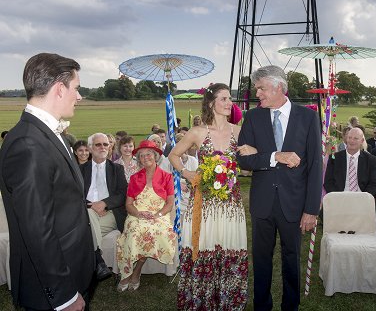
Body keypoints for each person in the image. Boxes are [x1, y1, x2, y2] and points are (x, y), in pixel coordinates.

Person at [0, 53, 94, 310]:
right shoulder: (28, 144)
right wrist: (64, 297)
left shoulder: (51, 135)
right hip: (51, 291)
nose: (80, 96)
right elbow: (37, 230)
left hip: (71, 268)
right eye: (76, 88)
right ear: (59, 89)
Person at [237, 66, 322, 310]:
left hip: (294, 203)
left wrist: (311, 209)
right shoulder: (253, 117)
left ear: (278, 87)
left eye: (261, 88)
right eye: (257, 89)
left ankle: (290, 306)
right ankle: (261, 306)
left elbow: (315, 166)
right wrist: (275, 156)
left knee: (291, 259)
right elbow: (242, 159)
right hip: (262, 203)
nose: (258, 94)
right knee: (261, 261)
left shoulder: (307, 117)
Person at [169, 83, 249, 310]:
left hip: (231, 203)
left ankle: (228, 301)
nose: (229, 103)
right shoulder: (197, 132)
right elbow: (174, 155)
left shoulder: (238, 131)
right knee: (204, 246)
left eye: (230, 99)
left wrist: (250, 157)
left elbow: (248, 165)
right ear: (211, 103)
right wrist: (186, 173)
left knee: (228, 245)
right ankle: (200, 300)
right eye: (224, 99)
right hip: (203, 203)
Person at [116, 140, 176, 292]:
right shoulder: (135, 178)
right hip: (137, 213)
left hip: (159, 215)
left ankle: (135, 273)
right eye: (141, 156)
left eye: (148, 154)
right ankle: (126, 274)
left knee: (154, 232)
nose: (145, 158)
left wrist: (158, 214)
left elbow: (169, 203)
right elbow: (128, 204)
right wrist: (138, 213)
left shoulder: (167, 177)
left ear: (155, 156)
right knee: (135, 232)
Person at [323, 127, 376, 239]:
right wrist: (339, 197)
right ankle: (333, 240)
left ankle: (374, 242)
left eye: (356, 138)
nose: (351, 141)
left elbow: (374, 184)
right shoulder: (334, 158)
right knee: (323, 212)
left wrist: (363, 198)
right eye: (349, 137)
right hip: (340, 196)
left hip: (363, 196)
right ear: (345, 138)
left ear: (362, 141)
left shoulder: (371, 159)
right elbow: (328, 182)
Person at [80, 133, 128, 250]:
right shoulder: (81, 170)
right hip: (86, 211)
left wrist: (104, 204)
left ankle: (96, 260)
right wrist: (92, 206)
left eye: (106, 144)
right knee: (90, 216)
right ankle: (99, 260)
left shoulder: (117, 169)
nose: (103, 147)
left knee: (82, 232)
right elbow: (75, 194)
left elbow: (123, 194)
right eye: (98, 144)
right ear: (90, 148)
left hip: (110, 212)